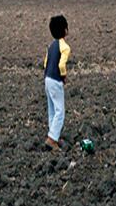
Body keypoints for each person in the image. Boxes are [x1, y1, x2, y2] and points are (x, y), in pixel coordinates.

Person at [43, 14, 71, 152]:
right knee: (60, 110)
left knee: (52, 109)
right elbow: (61, 65)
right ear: (65, 30)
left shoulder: (51, 46)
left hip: (47, 79)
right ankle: (52, 139)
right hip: (55, 80)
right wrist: (64, 76)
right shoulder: (65, 47)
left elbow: (45, 63)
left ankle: (54, 134)